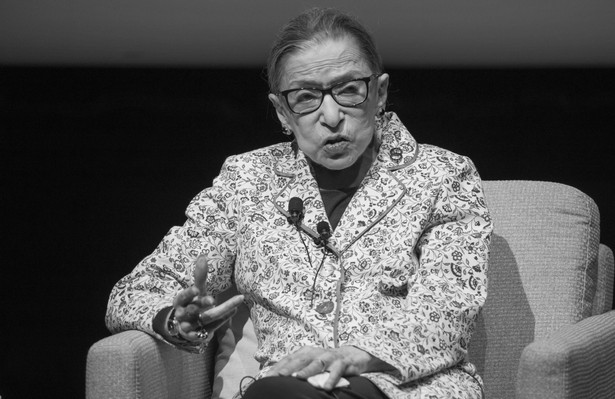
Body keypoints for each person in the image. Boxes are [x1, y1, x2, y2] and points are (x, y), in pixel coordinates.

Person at [106, 7, 493, 399]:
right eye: (306, 97)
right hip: (286, 388)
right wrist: (178, 320)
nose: (331, 116)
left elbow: (449, 308)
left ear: (379, 92)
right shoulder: (247, 180)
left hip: (404, 386)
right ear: (282, 112)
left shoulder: (444, 175)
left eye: (348, 89)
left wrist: (357, 356)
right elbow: (135, 290)